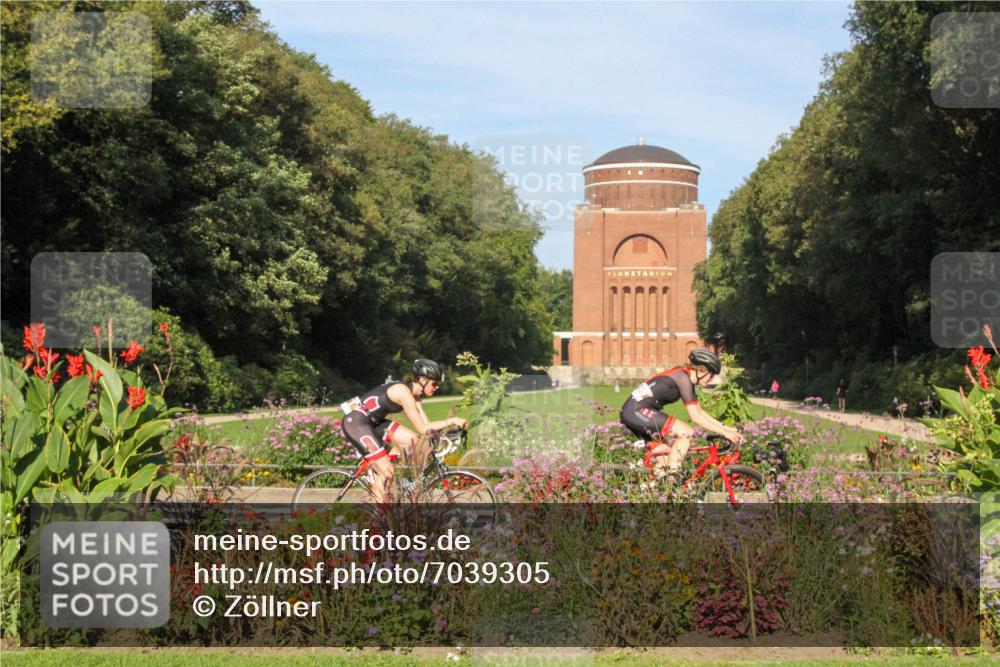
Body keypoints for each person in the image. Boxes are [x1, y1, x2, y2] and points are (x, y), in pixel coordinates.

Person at [339, 359, 467, 503]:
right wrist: (451, 420)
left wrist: (444, 432)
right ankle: (377, 517)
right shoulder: (404, 393)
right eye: (434, 383)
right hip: (357, 423)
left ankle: (384, 474)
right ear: (423, 380)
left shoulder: (415, 396)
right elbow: (423, 428)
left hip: (374, 422)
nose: (436, 387)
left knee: (412, 439)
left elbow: (427, 427)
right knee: (387, 472)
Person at [619, 349, 744, 477]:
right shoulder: (682, 378)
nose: (711, 380)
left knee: (664, 459)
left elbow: (700, 411)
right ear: (701, 370)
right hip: (636, 411)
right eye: (711, 375)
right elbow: (695, 417)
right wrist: (725, 433)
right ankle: (674, 479)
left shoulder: (684, 377)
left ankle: (652, 489)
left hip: (636, 412)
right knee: (686, 433)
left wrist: (727, 429)